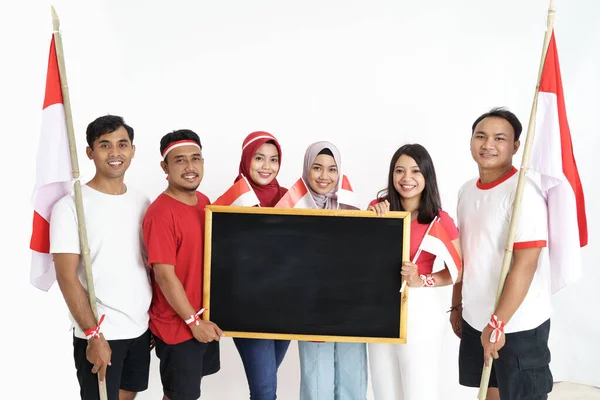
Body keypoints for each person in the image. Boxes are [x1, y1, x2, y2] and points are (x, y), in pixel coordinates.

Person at [452, 107, 552, 400]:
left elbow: (526, 265)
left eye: (499, 138)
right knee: (489, 393)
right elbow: (464, 255)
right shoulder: (467, 191)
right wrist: (457, 304)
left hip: (516, 324)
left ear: (515, 146)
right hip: (476, 317)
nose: (488, 145)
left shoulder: (524, 195)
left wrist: (498, 323)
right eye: (480, 136)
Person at [50, 115, 152, 400]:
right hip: (101, 332)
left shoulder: (143, 202)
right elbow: (66, 277)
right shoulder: (71, 206)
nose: (115, 152)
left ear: (132, 150)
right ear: (90, 152)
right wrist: (93, 334)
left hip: (140, 328)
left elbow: (147, 266)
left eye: (122, 144)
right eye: (105, 145)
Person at [367, 143, 461, 400]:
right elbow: (361, 256)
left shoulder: (439, 220)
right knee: (384, 390)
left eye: (415, 171)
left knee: (418, 389)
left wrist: (422, 280)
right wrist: (372, 220)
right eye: (399, 171)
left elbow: (458, 270)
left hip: (419, 312)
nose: (406, 178)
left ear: (427, 176)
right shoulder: (378, 208)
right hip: (378, 309)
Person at [142, 129, 223, 400]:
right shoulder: (160, 213)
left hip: (202, 317)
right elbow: (165, 276)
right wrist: (193, 321)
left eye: (196, 159)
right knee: (181, 395)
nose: (190, 167)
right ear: (165, 167)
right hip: (179, 324)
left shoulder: (205, 203)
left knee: (187, 393)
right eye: (180, 161)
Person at [293, 141, 368, 400]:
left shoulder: (354, 209)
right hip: (312, 309)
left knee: (352, 378)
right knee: (317, 383)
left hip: (350, 309)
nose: (325, 176)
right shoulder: (290, 210)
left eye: (332, 169)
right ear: (306, 169)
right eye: (317, 168)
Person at [228, 130, 290, 400]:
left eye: (273, 159)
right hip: (249, 306)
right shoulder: (230, 201)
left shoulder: (292, 200)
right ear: (246, 159)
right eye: (259, 158)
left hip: (287, 307)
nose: (267, 167)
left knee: (266, 383)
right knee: (265, 391)